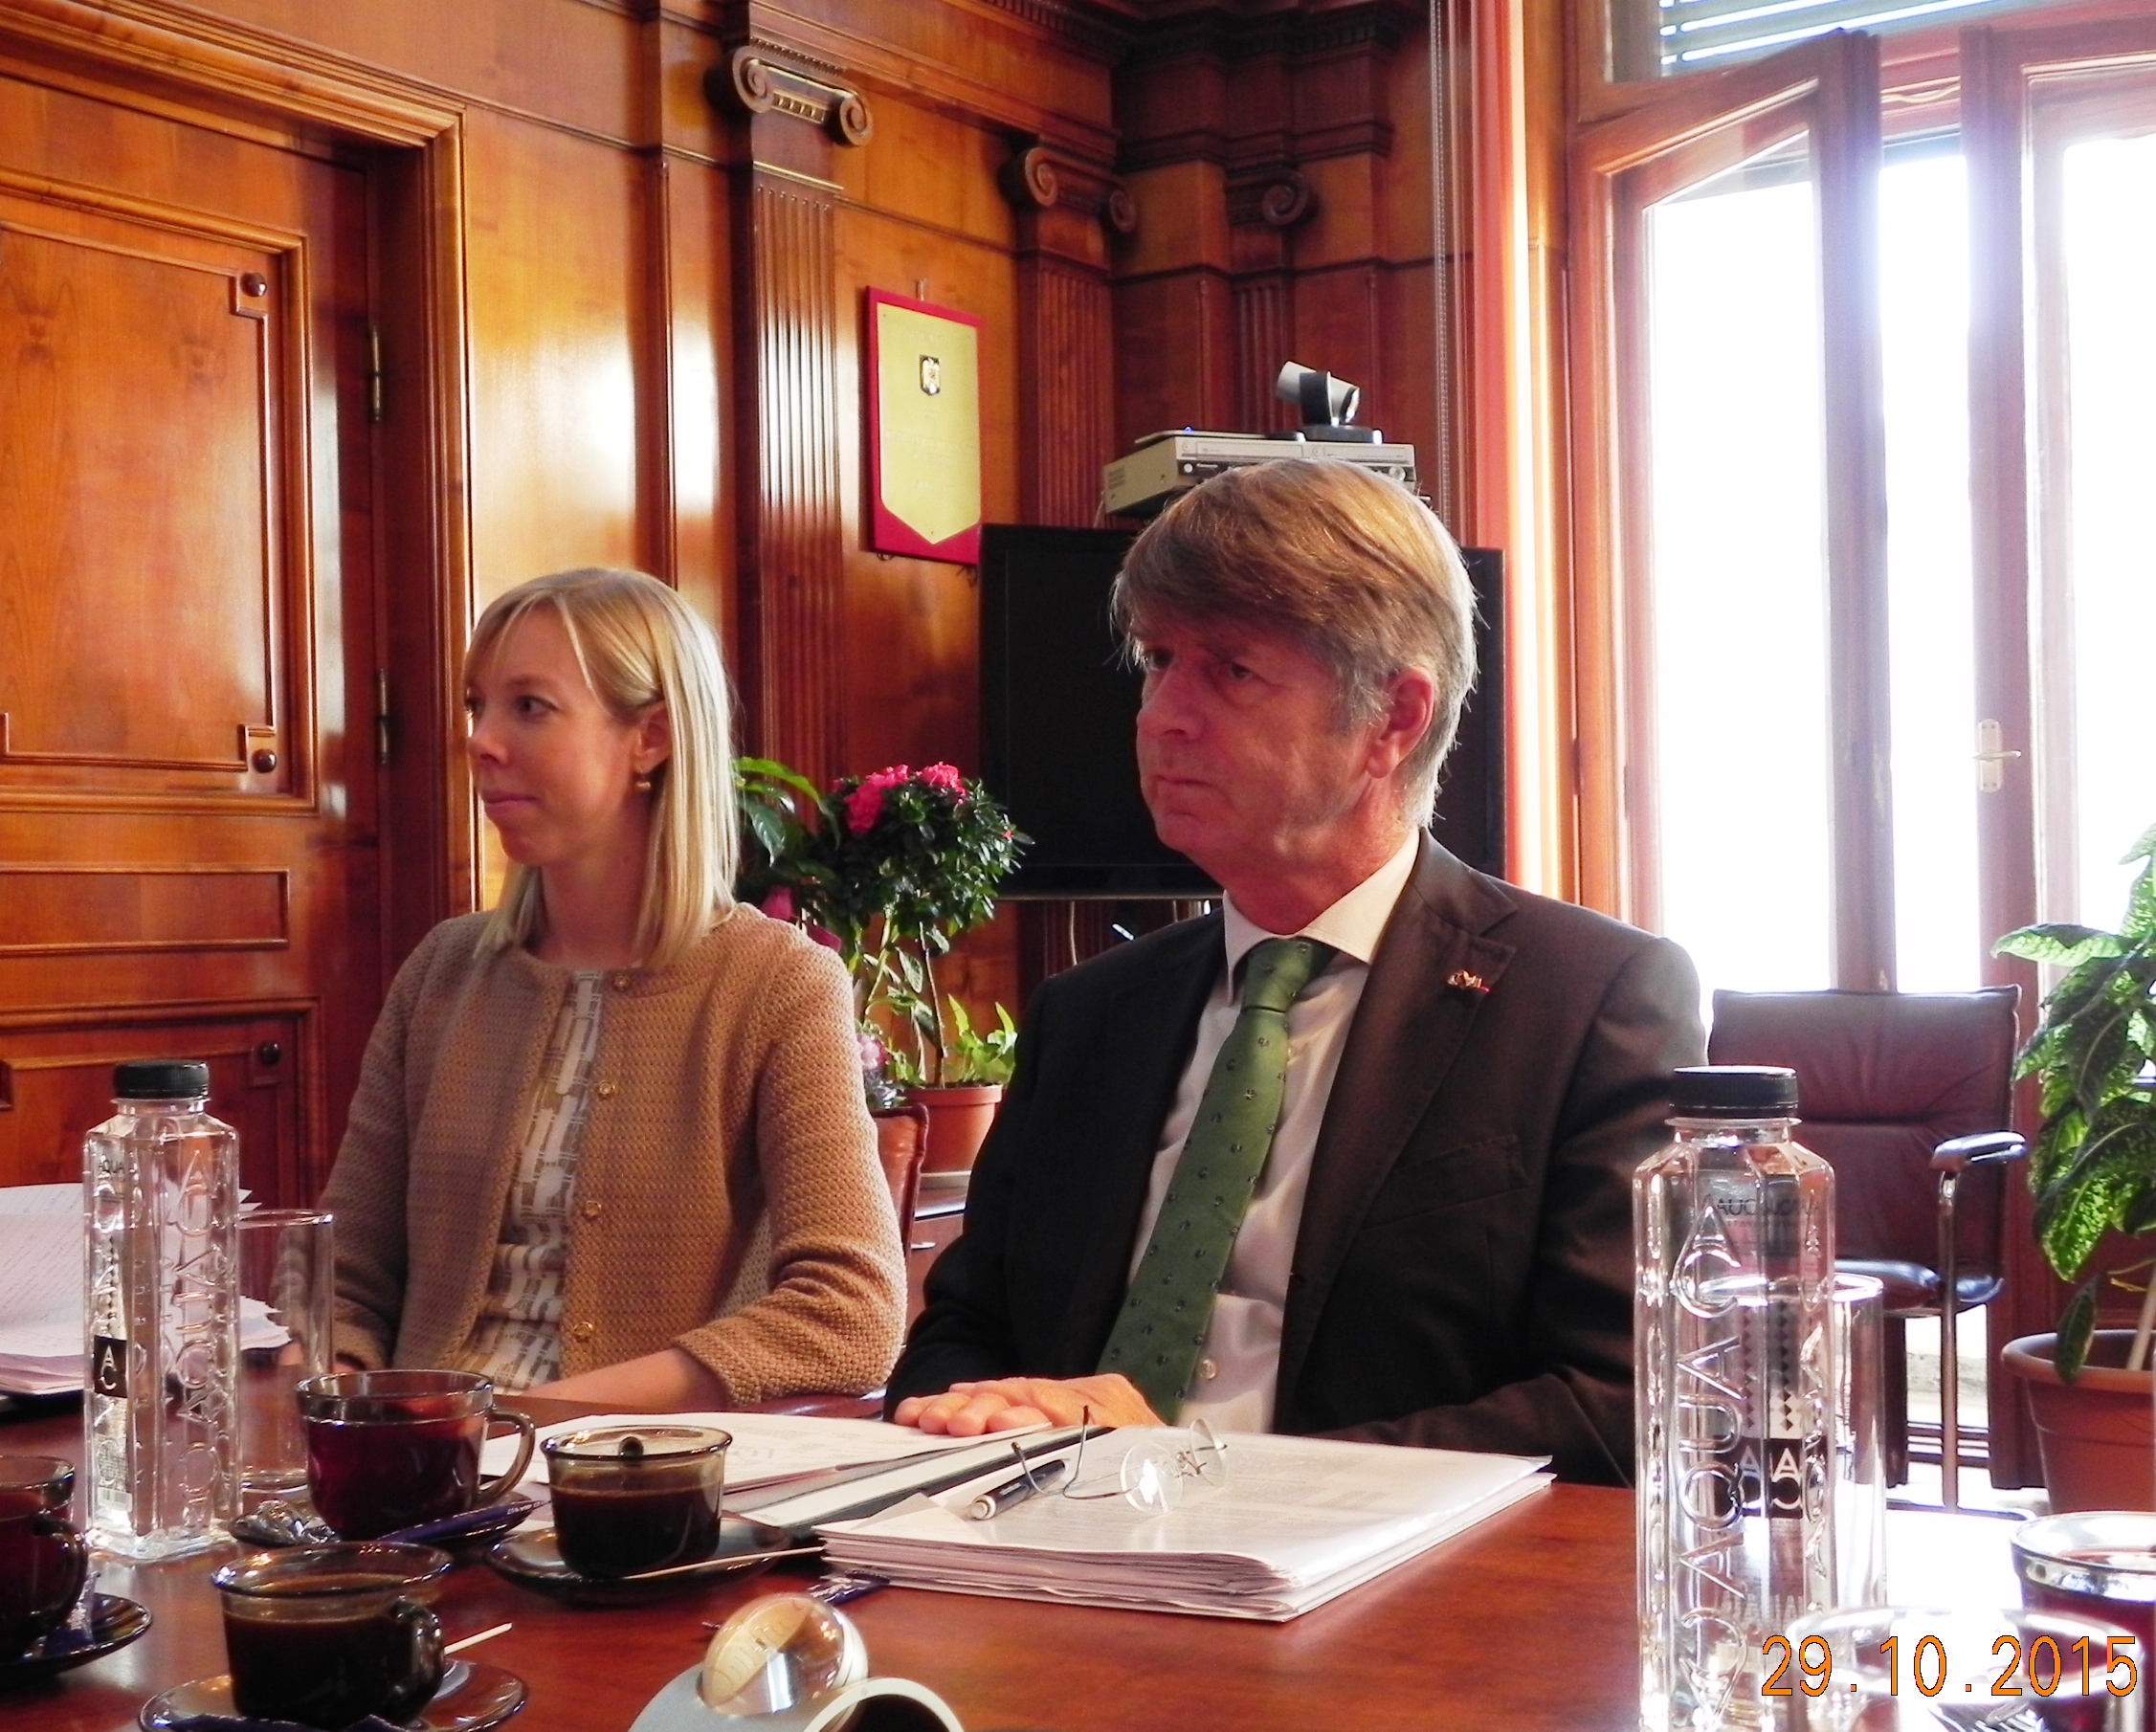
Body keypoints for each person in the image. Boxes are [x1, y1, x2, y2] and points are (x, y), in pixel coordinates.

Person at [887, 460, 1703, 1483]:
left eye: (1231, 671)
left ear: (1392, 719)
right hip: (1050, 1541)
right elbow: (962, 1332)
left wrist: (1216, 1472)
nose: (1161, 716)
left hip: (1389, 1569)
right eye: (1157, 661)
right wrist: (983, 1417)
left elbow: (1621, 1401)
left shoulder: (1588, 1002)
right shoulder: (1090, 1014)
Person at [322, 567, 906, 1407]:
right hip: (414, 1463)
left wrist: (521, 1419)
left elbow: (851, 1316)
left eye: (530, 706)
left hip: (633, 1471)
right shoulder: (442, 974)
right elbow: (342, 1280)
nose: (481, 741)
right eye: (478, 706)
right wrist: (341, 1403)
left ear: (651, 738)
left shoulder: (777, 984)